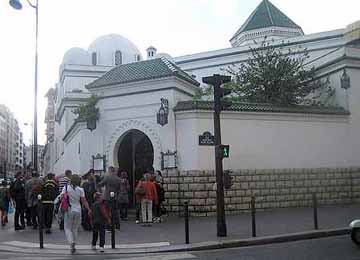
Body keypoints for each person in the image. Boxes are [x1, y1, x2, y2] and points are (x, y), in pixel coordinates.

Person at [60, 174, 91, 254]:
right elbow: (84, 201)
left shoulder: (66, 188)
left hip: (69, 210)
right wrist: (89, 209)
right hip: (78, 210)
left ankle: (71, 243)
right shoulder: (81, 189)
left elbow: (62, 197)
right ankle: (74, 243)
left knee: (67, 228)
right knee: (75, 228)